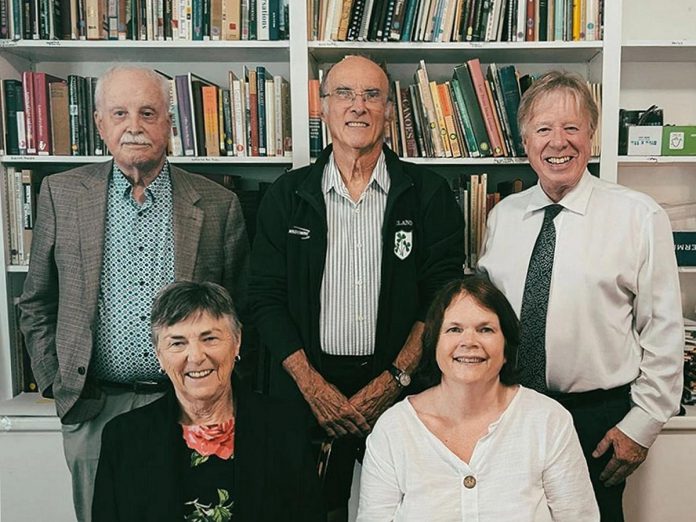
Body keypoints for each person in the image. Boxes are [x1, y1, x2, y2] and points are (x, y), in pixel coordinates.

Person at [18, 65, 249, 521]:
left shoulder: (218, 204)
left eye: (148, 112)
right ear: (100, 123)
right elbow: (36, 302)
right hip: (95, 404)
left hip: (189, 403)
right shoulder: (62, 194)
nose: (134, 126)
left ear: (168, 123)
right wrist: (55, 381)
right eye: (120, 113)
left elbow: (240, 309)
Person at [248, 55, 465, 519]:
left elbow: (442, 299)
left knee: (407, 512)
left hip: (403, 392)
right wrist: (312, 387)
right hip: (303, 392)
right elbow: (264, 299)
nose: (358, 107)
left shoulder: (428, 194)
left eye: (372, 95)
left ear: (389, 109)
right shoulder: (287, 196)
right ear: (323, 108)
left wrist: (393, 381)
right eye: (344, 94)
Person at [478, 71, 683, 520]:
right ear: (524, 139)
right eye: (544, 129)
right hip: (508, 408)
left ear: (591, 135)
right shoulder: (503, 217)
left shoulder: (638, 215)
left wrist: (641, 426)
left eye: (572, 128)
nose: (559, 142)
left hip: (596, 418)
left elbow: (663, 332)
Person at [357, 276, 599, 521]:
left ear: (506, 348)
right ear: (433, 343)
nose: (469, 342)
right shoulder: (393, 429)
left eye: (485, 329)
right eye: (454, 329)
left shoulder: (548, 420)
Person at [92, 281, 323, 521]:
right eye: (177, 343)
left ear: (237, 342)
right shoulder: (123, 437)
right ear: (159, 354)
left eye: (210, 338)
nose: (196, 356)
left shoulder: (285, 427)